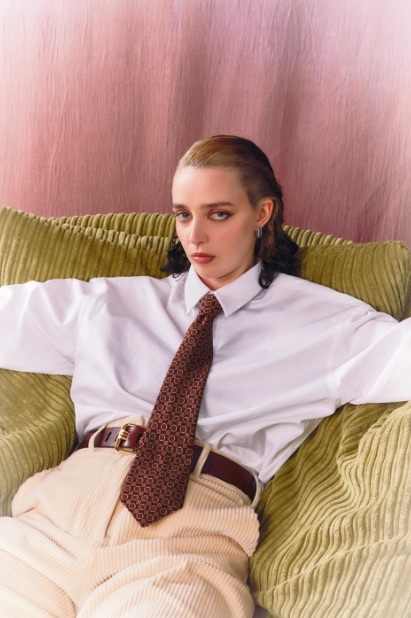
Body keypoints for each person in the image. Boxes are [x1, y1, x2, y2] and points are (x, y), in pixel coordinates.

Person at [0, 135, 410, 617]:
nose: (194, 237)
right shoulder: (108, 303)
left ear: (262, 214)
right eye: (183, 215)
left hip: (185, 548)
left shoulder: (326, 325)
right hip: (50, 525)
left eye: (218, 214)